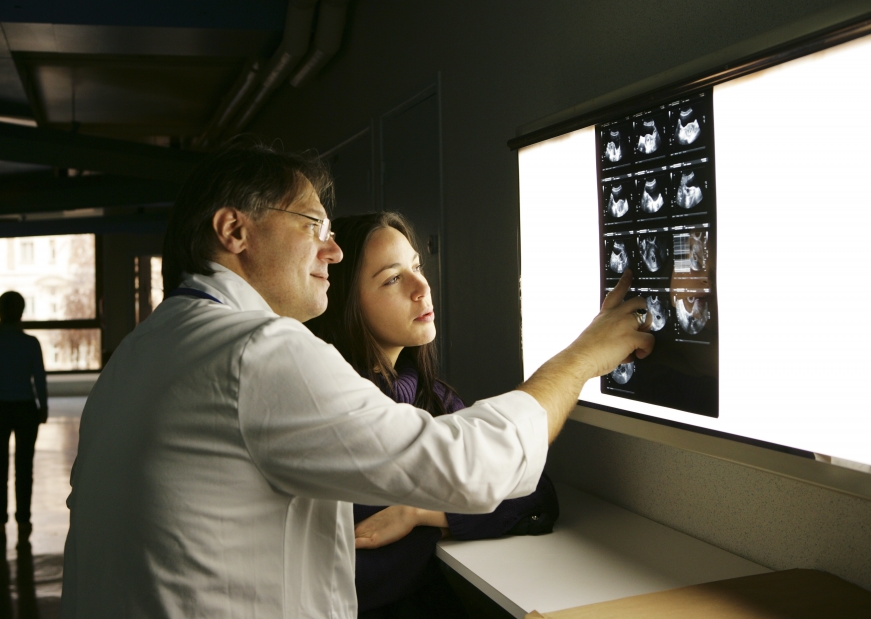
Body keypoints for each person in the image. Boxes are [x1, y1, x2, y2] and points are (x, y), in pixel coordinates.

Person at [60, 142, 654, 618]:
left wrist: (420, 513)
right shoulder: (258, 349)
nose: (333, 251)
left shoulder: (143, 351)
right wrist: (580, 360)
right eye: (313, 225)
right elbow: (472, 466)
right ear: (234, 232)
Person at [306, 212, 560, 618]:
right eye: (392, 279)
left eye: (417, 268)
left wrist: (418, 513)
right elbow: (364, 565)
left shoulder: (431, 395)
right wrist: (461, 515)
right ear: (346, 302)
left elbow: (534, 488)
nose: (422, 288)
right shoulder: (340, 411)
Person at [0, 291, 48, 540]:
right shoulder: (31, 343)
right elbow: (39, 378)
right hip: (25, 408)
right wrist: (43, 407)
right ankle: (24, 518)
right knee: (24, 466)